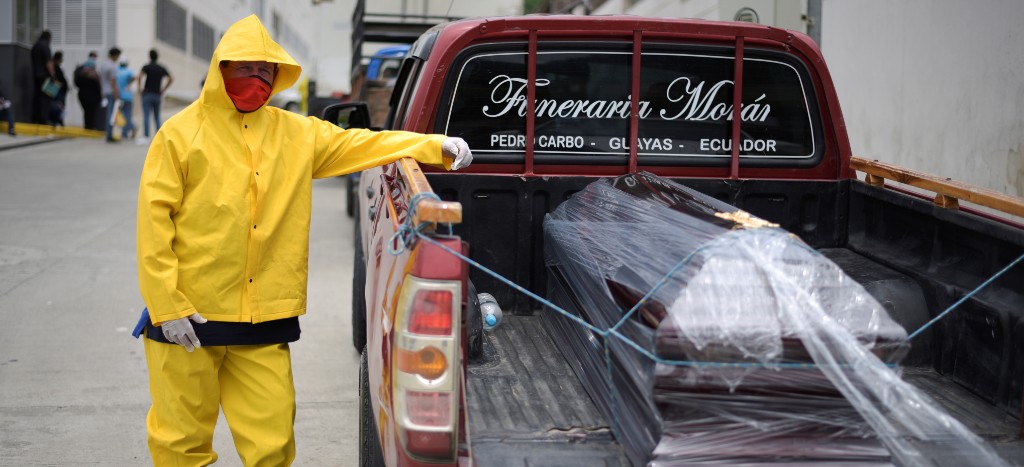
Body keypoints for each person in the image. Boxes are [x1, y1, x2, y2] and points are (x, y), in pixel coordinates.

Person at [133, 15, 472, 466]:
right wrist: (167, 306)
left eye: (265, 70)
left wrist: (434, 147)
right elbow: (153, 226)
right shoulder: (178, 136)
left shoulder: (298, 134)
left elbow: (364, 144)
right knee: (181, 445)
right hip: (188, 319)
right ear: (220, 69)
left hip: (262, 320)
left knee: (272, 445)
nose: (255, 78)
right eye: (244, 68)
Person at [138, 49, 173, 139]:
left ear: (149, 56)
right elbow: (171, 78)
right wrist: (163, 89)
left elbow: (139, 76)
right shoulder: (161, 67)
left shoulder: (146, 67)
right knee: (157, 116)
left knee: (146, 115)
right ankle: (158, 136)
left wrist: (140, 88)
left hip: (147, 93)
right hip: (157, 94)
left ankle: (146, 136)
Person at [30, 30, 55, 124]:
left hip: (36, 75)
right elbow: (48, 62)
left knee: (37, 96)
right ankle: (43, 118)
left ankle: (35, 117)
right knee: (45, 97)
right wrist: (53, 74)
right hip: (44, 76)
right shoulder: (45, 46)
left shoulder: (35, 46)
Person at [74, 51, 103, 130]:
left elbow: (76, 82)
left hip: (83, 94)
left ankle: (88, 126)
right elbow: (98, 85)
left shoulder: (79, 70)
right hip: (91, 96)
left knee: (88, 112)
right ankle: (89, 127)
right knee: (90, 112)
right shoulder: (93, 73)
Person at [98, 47, 121, 142]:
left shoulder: (103, 65)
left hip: (104, 92)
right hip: (111, 93)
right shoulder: (112, 66)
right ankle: (109, 135)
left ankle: (108, 134)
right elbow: (113, 82)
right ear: (115, 55)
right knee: (111, 115)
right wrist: (116, 94)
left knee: (107, 113)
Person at [115, 60, 137, 141]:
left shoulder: (117, 70)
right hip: (128, 96)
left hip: (119, 96)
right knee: (127, 115)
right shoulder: (128, 71)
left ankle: (125, 132)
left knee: (122, 115)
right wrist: (129, 84)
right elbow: (135, 77)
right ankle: (132, 127)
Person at [49, 51, 68, 127]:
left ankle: (59, 120)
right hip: (57, 91)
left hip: (61, 91)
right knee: (57, 106)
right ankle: (56, 121)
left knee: (61, 107)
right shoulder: (54, 67)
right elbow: (55, 79)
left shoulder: (58, 67)